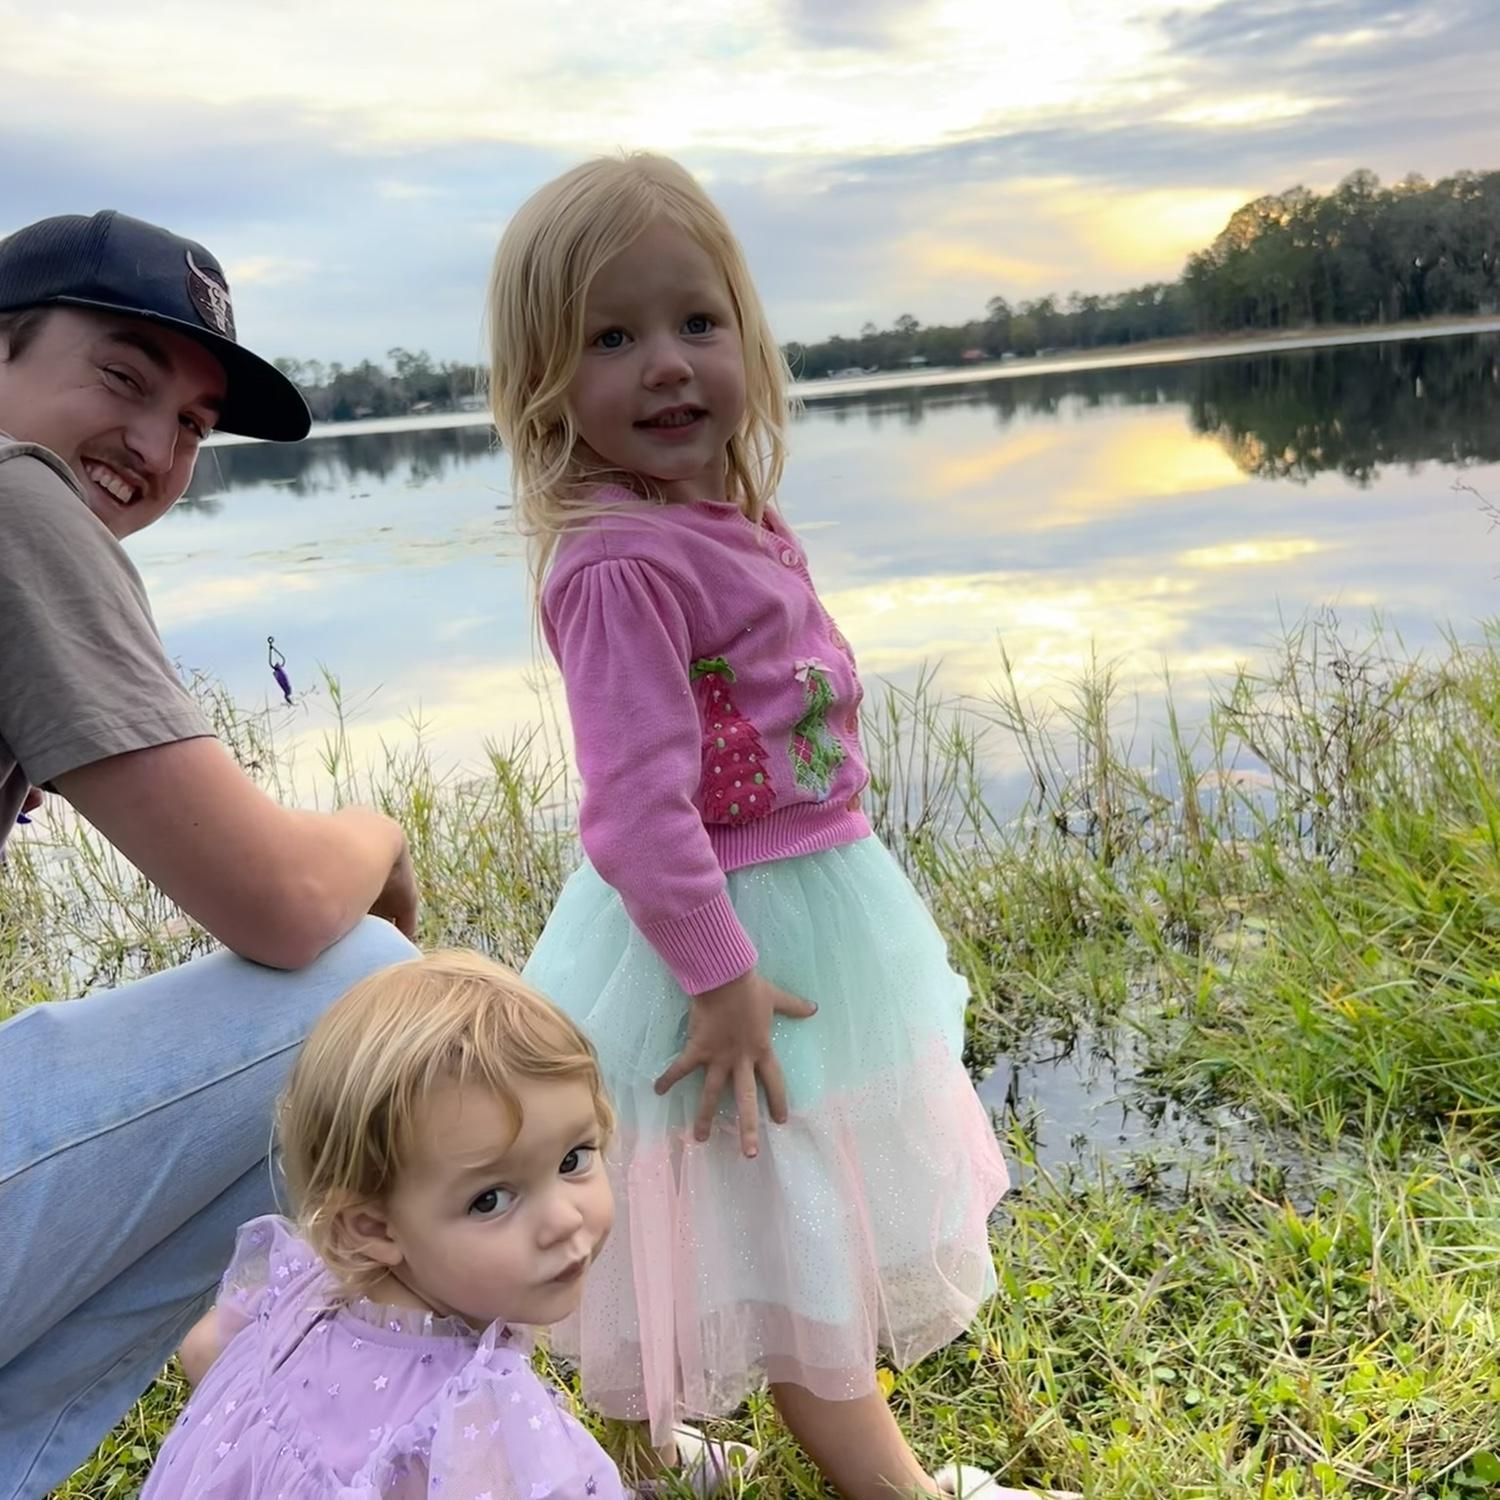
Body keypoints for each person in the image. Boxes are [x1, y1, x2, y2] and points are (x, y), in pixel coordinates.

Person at [486, 155, 1062, 1500]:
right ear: (544, 384)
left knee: (731, 1203)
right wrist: (723, 978)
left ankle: (645, 1442)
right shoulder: (619, 562)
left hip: (805, 901)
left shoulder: (726, 514)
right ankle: (896, 1491)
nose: (669, 366)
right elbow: (635, 814)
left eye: (698, 323)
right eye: (611, 339)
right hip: (720, 943)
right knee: (782, 1213)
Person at [0, 210, 419, 1499]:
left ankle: (291, 1388)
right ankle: (387, 1440)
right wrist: (385, 835)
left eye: (190, 424)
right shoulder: (16, 496)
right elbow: (285, 906)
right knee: (361, 982)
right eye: (124, 377)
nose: (153, 444)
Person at [141, 951, 625, 1500]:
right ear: (373, 1228)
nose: (564, 1221)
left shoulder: (305, 1284)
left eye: (573, 1159)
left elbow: (203, 1350)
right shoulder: (477, 1419)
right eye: (490, 1200)